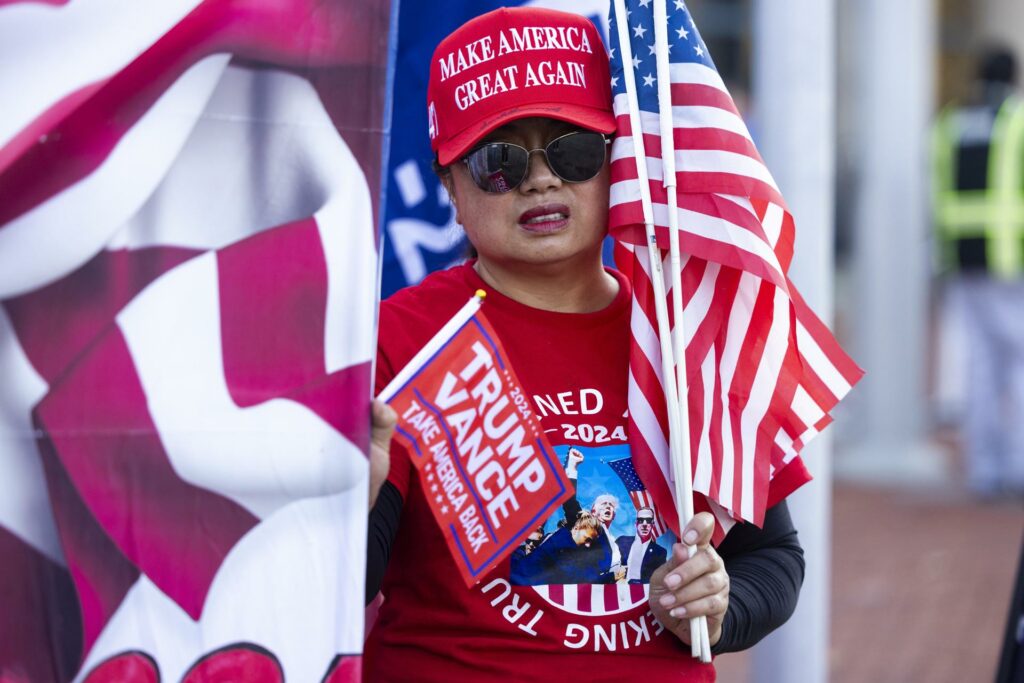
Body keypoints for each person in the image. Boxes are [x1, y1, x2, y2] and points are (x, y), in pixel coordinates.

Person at [365, 7, 805, 680]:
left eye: (573, 150)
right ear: (450, 184)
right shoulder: (398, 342)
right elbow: (336, 589)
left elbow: (773, 554)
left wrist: (720, 604)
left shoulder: (687, 329)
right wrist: (344, 510)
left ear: (616, 160)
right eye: (498, 161)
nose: (542, 179)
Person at [930, 47, 1024, 497]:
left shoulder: (952, 123)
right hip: (1010, 258)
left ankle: (983, 469)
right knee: (1018, 365)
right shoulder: (1018, 121)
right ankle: (1017, 465)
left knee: (980, 367)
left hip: (964, 258)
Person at [616, 507, 669, 584]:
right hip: (620, 591)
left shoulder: (660, 552)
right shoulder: (622, 541)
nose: (644, 524)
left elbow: (659, 580)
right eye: (641, 520)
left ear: (653, 524)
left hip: (644, 593)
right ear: (636, 524)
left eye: (648, 521)